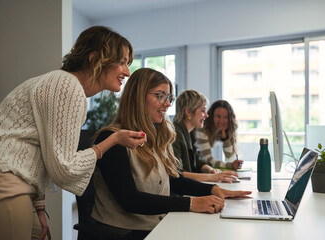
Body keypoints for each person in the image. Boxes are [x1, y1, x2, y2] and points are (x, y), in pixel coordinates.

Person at [0, 26, 147, 240]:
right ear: (95, 58)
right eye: (122, 62)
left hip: (9, 182)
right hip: (1, 183)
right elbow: (64, 168)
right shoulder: (67, 86)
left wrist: (38, 207)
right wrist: (113, 140)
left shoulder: (60, 83)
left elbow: (39, 151)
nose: (127, 72)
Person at [91, 68, 252, 239]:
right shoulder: (112, 139)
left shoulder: (157, 136)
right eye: (160, 96)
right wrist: (191, 203)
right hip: (123, 233)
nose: (167, 103)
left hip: (155, 226)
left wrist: (213, 189)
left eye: (169, 98)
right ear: (138, 97)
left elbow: (174, 180)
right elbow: (129, 200)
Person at [172, 90, 238, 182]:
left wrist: (211, 170)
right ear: (188, 112)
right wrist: (212, 177)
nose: (207, 115)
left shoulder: (188, 132)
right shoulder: (175, 134)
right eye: (203, 111)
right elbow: (176, 173)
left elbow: (198, 162)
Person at [194, 100, 243, 170]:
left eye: (225, 117)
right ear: (211, 116)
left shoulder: (219, 131)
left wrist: (225, 137)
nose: (221, 121)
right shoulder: (202, 129)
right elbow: (207, 160)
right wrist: (230, 165)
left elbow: (230, 158)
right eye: (218, 116)